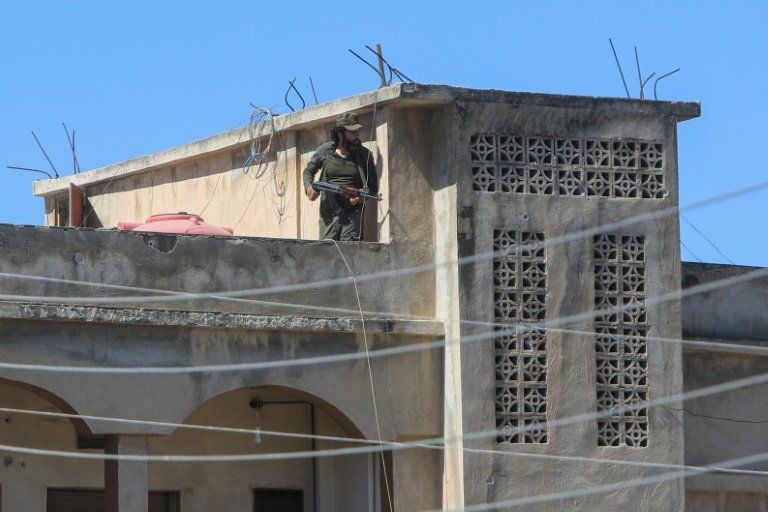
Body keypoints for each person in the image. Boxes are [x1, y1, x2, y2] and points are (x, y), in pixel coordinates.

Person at [302, 112, 379, 241]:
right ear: (340, 133)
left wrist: (359, 196)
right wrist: (309, 188)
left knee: (349, 251)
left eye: (357, 131)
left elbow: (373, 187)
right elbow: (308, 171)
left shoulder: (364, 155)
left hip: (352, 216)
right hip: (329, 217)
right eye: (352, 132)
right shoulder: (325, 151)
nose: (357, 135)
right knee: (327, 250)